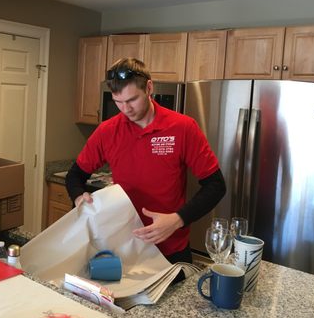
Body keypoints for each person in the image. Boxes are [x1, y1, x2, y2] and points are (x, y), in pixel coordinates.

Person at [66, 58, 226, 272]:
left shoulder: (182, 127)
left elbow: (216, 185)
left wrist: (178, 220)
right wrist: (78, 196)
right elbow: (75, 175)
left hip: (171, 252)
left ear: (149, 88)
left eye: (132, 99)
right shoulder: (107, 131)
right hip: (123, 250)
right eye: (118, 101)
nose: (126, 109)